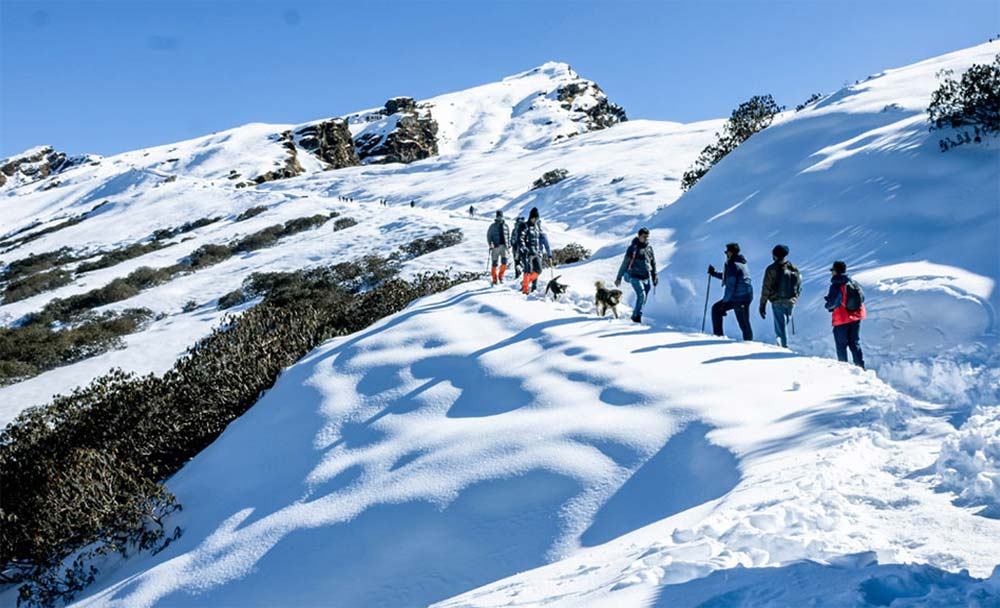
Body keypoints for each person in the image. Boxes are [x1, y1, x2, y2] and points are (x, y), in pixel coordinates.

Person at [824, 260, 866, 368]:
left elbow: (832, 303)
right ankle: (860, 367)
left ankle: (844, 368)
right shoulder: (853, 282)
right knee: (854, 342)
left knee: (841, 345)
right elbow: (863, 298)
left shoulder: (836, 285)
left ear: (835, 271)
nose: (831, 272)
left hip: (841, 318)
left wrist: (827, 304)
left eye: (832, 270)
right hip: (856, 316)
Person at [708, 242, 754, 340]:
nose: (725, 254)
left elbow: (730, 286)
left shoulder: (733, 265)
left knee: (743, 323)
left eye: (726, 252)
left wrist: (725, 302)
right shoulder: (740, 262)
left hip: (740, 298)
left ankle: (749, 344)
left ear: (731, 252)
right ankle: (719, 336)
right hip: (743, 296)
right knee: (717, 309)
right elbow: (729, 277)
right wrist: (714, 274)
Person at [759, 244, 801, 347]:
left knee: (780, 326)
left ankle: (783, 348)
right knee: (784, 324)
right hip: (791, 301)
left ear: (775, 255)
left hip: (777, 301)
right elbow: (799, 285)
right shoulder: (794, 268)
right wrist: (795, 298)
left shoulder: (771, 269)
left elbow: (766, 288)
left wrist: (762, 304)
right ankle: (782, 345)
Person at [615, 227, 658, 323]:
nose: (646, 239)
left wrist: (654, 276)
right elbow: (625, 263)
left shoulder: (649, 248)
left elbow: (653, 263)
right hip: (634, 275)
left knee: (644, 297)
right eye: (644, 237)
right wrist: (619, 277)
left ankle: (638, 314)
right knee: (641, 295)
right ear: (639, 236)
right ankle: (636, 317)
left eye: (647, 237)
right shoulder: (633, 248)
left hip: (646, 277)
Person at [519, 207, 551, 295]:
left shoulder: (537, 227)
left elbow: (539, 239)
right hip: (528, 252)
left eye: (536, 218)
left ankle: (525, 282)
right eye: (534, 218)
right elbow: (521, 238)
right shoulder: (525, 226)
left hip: (536, 252)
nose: (535, 220)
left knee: (539, 270)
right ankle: (525, 290)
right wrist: (523, 247)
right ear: (530, 217)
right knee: (528, 270)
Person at [486, 210, 511, 285]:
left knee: (504, 262)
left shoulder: (506, 226)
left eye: (501, 216)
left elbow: (508, 236)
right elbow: (489, 236)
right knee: (494, 264)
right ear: (496, 217)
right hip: (495, 247)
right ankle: (494, 279)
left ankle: (501, 276)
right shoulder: (492, 226)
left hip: (504, 247)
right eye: (498, 216)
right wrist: (490, 244)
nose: (500, 217)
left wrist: (508, 245)